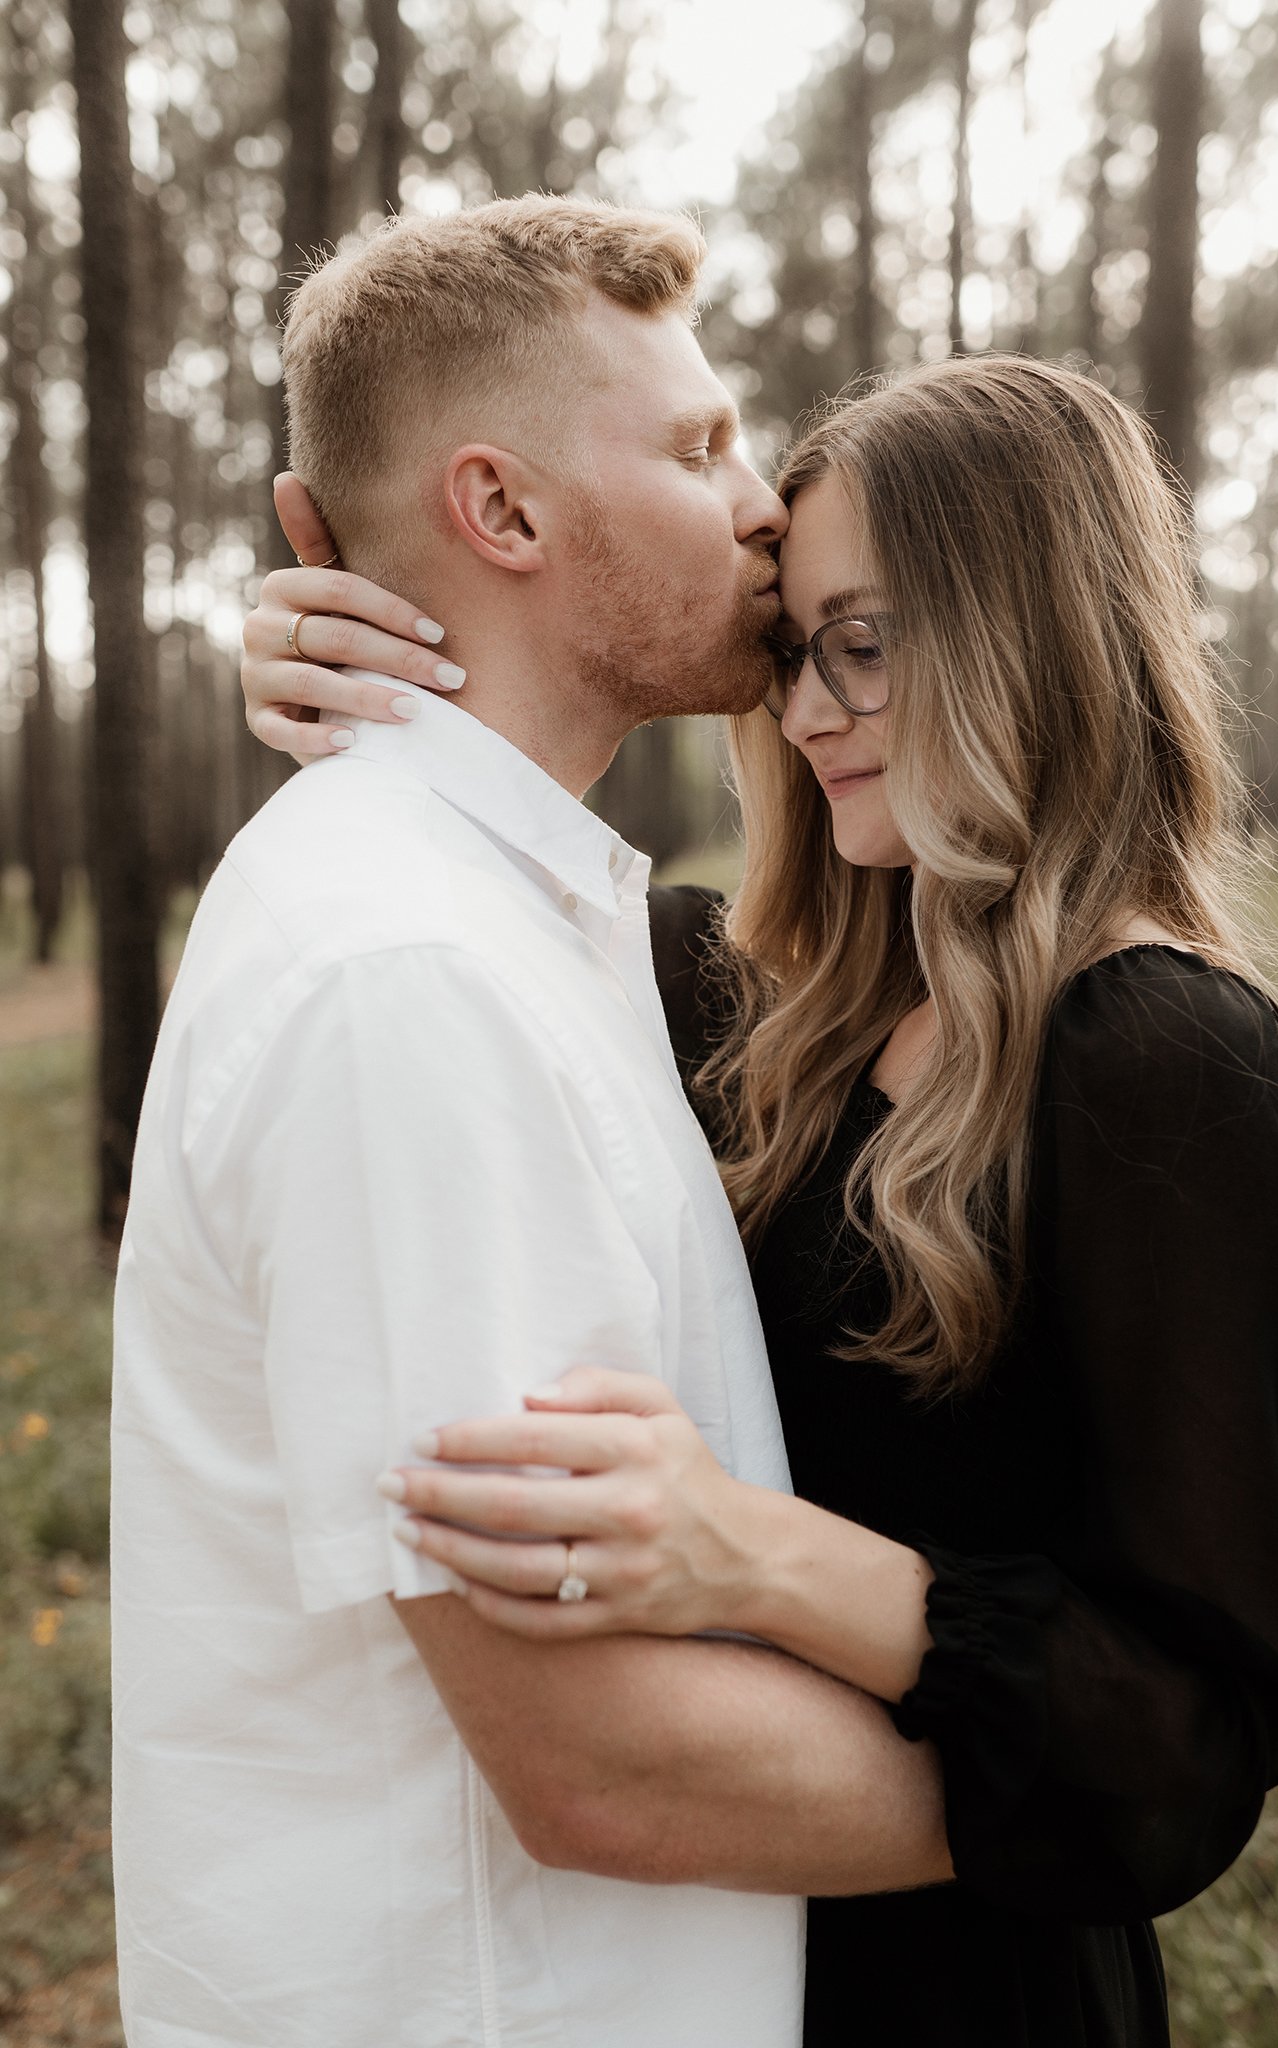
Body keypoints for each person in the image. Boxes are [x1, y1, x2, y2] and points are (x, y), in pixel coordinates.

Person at [241, 345, 1278, 2046]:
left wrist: (754, 1555)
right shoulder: (736, 1004)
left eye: (870, 643)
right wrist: (372, 670)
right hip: (686, 1967)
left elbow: (1190, 1736)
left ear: (1033, 637)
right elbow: (499, 839)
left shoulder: (1168, 1068)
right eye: (794, 650)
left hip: (968, 1980)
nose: (813, 708)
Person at [112, 197, 957, 2048]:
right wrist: (1115, 1796)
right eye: (697, 444)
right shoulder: (406, 970)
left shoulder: (521, 919)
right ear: (501, 513)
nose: (763, 501)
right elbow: (599, 1764)